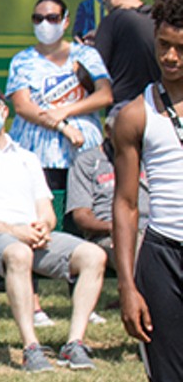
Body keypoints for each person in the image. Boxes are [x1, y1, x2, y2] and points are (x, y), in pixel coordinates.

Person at [0, 83, 108, 373]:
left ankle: (74, 344)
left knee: (93, 255)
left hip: (30, 238)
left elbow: (45, 208)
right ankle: (31, 347)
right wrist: (12, 230)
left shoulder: (27, 157)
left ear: (4, 111)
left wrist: (44, 226)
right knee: (19, 253)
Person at [112, 0, 183, 382]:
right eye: (163, 45)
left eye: (180, 46)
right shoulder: (136, 115)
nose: (170, 57)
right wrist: (129, 283)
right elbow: (127, 205)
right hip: (163, 258)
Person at [5, 0, 113, 191]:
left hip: (83, 153)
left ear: (66, 21)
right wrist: (62, 126)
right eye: (38, 19)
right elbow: (22, 106)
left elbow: (105, 95)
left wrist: (65, 111)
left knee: (83, 215)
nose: (45, 24)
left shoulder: (86, 54)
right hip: (37, 157)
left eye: (52, 18)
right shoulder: (22, 60)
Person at [66, 105, 149, 267]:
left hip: (151, 231)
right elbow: (82, 216)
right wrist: (117, 227)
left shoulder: (150, 158)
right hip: (108, 234)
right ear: (108, 131)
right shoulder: (88, 162)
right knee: (138, 250)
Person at [93, 0, 159, 107]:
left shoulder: (112, 21)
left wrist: (85, 51)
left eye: (102, 0)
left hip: (124, 109)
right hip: (159, 110)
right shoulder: (158, 19)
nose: (104, 6)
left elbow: (93, 72)